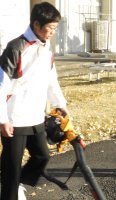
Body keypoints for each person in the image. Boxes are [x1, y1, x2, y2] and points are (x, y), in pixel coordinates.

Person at [0, 2, 67, 200]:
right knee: (12, 165)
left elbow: (51, 78)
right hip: (14, 116)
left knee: (42, 156)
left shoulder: (46, 48)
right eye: (50, 28)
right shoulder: (16, 47)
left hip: (36, 114)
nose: (53, 32)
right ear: (36, 25)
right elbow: (1, 85)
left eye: (55, 28)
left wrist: (60, 103)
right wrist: (3, 119)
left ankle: (19, 182)